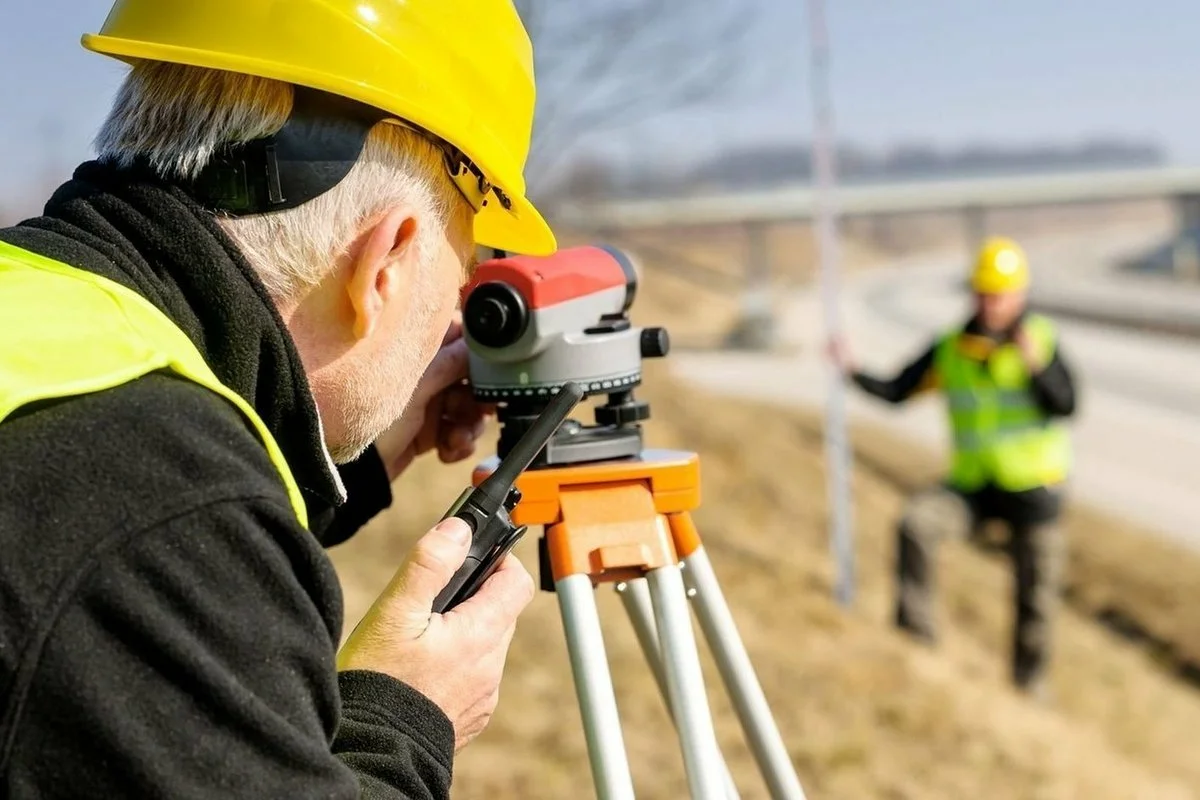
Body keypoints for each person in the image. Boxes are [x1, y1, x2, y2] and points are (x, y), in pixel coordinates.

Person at [0, 2, 557, 797]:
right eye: (460, 272)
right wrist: (402, 720)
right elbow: (151, 534)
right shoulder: (160, 502)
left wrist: (341, 456)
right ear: (388, 258)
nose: (449, 318)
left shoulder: (46, 334)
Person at [830, 236, 1078, 699]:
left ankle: (1030, 687)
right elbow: (897, 390)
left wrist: (1036, 367)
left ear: (1020, 294)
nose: (991, 303)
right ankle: (916, 644)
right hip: (972, 487)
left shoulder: (1040, 341)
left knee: (1036, 597)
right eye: (984, 292)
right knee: (916, 524)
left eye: (1000, 293)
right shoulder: (951, 349)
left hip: (1034, 492)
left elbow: (1067, 404)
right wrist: (851, 369)